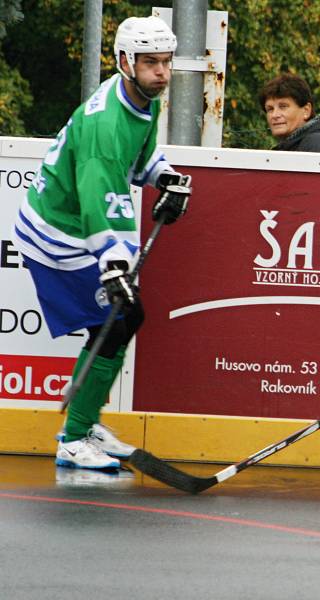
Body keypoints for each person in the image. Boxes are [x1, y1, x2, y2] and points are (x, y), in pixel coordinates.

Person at [12, 16, 192, 470]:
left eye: (166, 62)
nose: (162, 73)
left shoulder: (139, 98)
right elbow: (97, 202)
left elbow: (142, 156)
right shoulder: (104, 125)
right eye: (151, 63)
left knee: (118, 320)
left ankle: (84, 423)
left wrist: (164, 177)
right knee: (120, 317)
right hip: (58, 232)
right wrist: (113, 266)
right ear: (124, 61)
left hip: (77, 225)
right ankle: (74, 438)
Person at [259, 73, 320, 153]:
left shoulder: (316, 143)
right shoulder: (291, 147)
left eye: (283, 107)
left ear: (306, 110)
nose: (274, 115)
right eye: (270, 109)